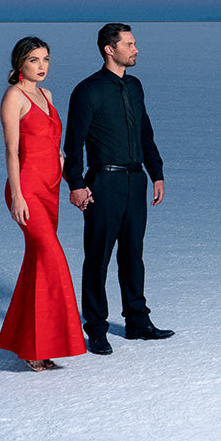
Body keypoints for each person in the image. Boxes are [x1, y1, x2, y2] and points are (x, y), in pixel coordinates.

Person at [63, 23, 172, 355]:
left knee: (133, 254)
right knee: (98, 257)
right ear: (110, 49)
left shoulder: (135, 86)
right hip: (103, 182)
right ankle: (96, 328)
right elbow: (73, 143)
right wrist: (77, 184)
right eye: (129, 44)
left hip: (135, 179)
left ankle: (138, 321)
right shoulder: (88, 90)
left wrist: (156, 172)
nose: (136, 49)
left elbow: (145, 133)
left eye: (134, 43)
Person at [0, 37, 87, 371]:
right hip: (28, 189)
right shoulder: (13, 97)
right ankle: (38, 346)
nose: (42, 66)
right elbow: (10, 151)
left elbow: (56, 151)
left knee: (37, 265)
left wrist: (75, 186)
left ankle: (27, 343)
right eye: (34, 60)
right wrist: (17, 195)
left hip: (50, 189)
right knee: (51, 259)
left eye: (46, 59)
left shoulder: (47, 96)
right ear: (20, 63)